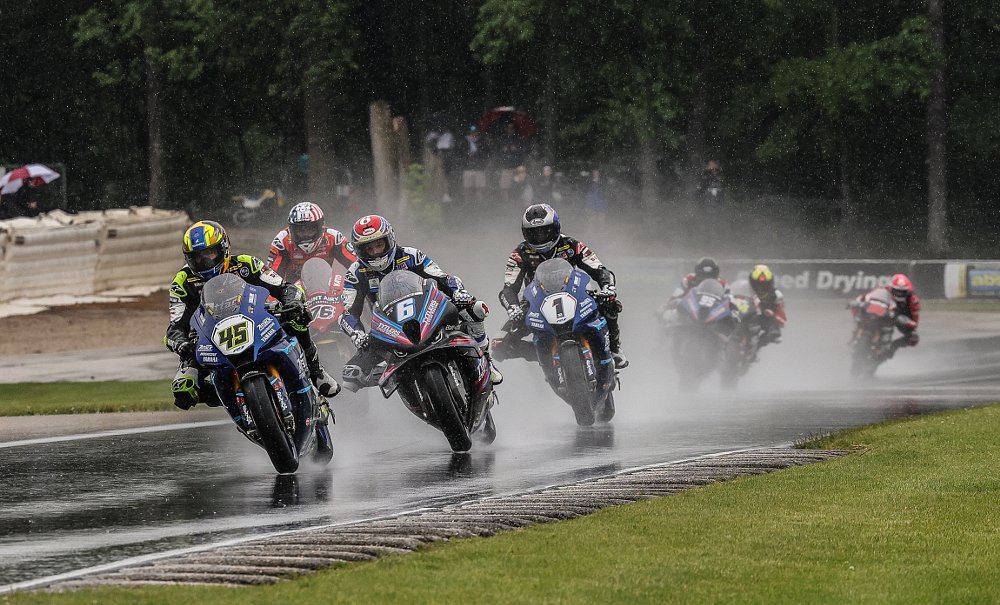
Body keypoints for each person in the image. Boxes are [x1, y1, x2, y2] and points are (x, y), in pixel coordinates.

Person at [165, 220, 340, 410]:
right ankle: (232, 399)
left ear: (223, 248)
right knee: (183, 391)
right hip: (212, 337)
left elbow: (284, 287)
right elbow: (176, 325)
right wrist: (182, 344)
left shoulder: (246, 264)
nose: (204, 261)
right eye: (196, 257)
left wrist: (292, 301)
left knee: (298, 317)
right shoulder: (181, 282)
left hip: (257, 321)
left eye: (209, 253)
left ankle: (316, 372)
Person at [338, 214, 503, 389]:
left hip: (428, 310)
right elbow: (347, 313)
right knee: (350, 377)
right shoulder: (355, 273)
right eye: (368, 249)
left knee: (474, 309)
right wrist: (357, 334)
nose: (376, 252)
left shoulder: (411, 255)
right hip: (388, 328)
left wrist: (459, 294)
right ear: (358, 250)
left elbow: (445, 279)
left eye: (379, 244)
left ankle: (486, 359)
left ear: (390, 239)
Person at [494, 203, 628, 369]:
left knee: (611, 304)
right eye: (534, 233)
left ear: (555, 228)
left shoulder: (572, 245)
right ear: (525, 233)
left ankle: (615, 349)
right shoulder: (519, 254)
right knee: (498, 346)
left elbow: (600, 269)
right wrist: (513, 308)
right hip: (536, 303)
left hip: (576, 296)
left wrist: (608, 287)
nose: (540, 236)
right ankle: (544, 353)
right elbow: (508, 289)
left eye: (544, 231)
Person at [267, 201, 357, 283]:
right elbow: (272, 277)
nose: (306, 235)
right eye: (301, 231)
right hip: (292, 291)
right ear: (292, 230)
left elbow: (357, 266)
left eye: (310, 230)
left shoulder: (334, 238)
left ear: (320, 227)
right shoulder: (282, 241)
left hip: (327, 289)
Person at [852, 273, 920, 355]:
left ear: (907, 291)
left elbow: (914, 320)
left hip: (902, 316)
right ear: (891, 288)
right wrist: (859, 301)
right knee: (863, 312)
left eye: (902, 292)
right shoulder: (884, 290)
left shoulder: (913, 299)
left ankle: (893, 347)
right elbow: (869, 297)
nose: (899, 293)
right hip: (885, 311)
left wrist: (909, 323)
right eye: (897, 291)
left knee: (913, 337)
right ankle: (857, 333)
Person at [748, 264, 786, 345]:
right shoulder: (742, 288)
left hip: (762, 321)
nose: (761, 282)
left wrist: (772, 314)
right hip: (742, 318)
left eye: (764, 282)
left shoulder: (776, 295)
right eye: (757, 276)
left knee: (776, 334)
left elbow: (782, 319)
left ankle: (756, 348)